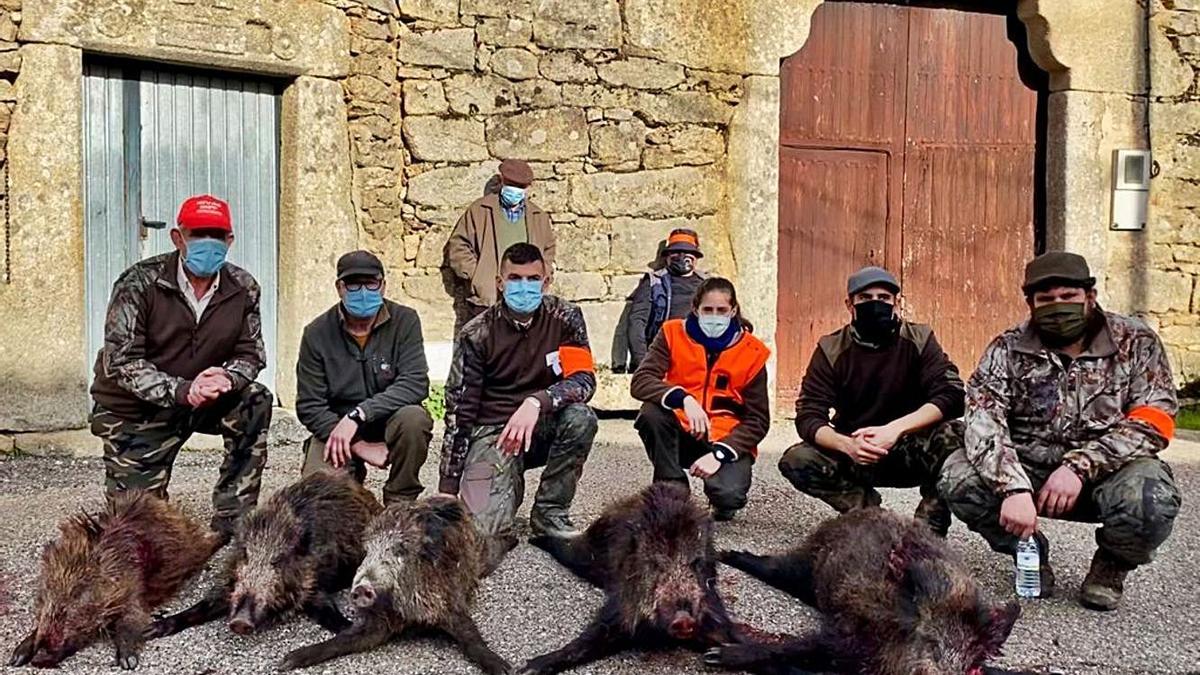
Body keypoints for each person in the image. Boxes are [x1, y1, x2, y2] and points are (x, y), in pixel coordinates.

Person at [939, 251, 1181, 611]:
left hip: (1107, 473)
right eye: (1046, 299)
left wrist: (1079, 466)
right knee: (957, 477)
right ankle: (1030, 550)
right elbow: (982, 420)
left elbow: (1155, 419)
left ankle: (1111, 566)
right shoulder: (1006, 348)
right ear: (1031, 304)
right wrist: (1012, 486)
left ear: (1090, 296)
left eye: (1068, 297)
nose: (1058, 306)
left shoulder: (1135, 341)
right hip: (1029, 471)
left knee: (1152, 497)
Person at [89, 194, 272, 541]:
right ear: (177, 237)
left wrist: (227, 378)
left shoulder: (243, 287)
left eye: (216, 235)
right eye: (197, 233)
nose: (208, 243)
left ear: (229, 240)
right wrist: (182, 390)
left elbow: (251, 352)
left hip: (205, 398)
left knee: (255, 399)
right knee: (138, 531)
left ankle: (234, 517)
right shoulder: (139, 283)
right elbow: (121, 361)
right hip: (138, 409)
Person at [778, 266, 965, 536]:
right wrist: (847, 445)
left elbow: (952, 395)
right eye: (865, 298)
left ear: (895, 302)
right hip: (858, 448)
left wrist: (894, 430)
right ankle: (871, 517)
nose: (876, 304)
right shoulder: (831, 349)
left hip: (911, 445)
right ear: (849, 304)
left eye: (884, 298)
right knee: (798, 459)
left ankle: (928, 529)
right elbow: (809, 414)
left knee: (957, 436)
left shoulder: (920, 339)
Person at [440, 243, 598, 561]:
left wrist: (537, 402)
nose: (523, 286)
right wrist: (448, 485)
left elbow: (584, 380)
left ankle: (550, 513)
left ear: (546, 281)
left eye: (532, 278)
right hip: (494, 433)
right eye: (514, 278)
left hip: (543, 422)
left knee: (582, 417)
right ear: (500, 282)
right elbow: (460, 408)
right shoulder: (476, 334)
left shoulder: (565, 318)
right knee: (481, 532)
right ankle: (506, 481)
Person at [295, 250, 434, 505]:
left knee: (414, 419)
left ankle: (399, 502)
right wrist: (358, 443)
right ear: (339, 288)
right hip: (337, 429)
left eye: (370, 283)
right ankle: (350, 488)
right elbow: (309, 405)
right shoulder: (316, 333)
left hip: (389, 418)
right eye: (353, 284)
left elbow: (415, 382)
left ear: (382, 286)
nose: (363, 291)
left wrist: (360, 414)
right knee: (318, 497)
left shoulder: (405, 321)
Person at [630, 277, 770, 521]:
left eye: (721, 310)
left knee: (729, 494)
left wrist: (720, 454)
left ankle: (723, 500)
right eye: (708, 309)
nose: (714, 316)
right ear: (695, 308)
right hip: (683, 425)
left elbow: (758, 420)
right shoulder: (672, 333)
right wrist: (682, 398)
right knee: (651, 413)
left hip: (725, 438)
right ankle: (672, 490)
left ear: (733, 310)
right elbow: (641, 381)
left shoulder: (752, 352)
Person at [445, 159, 556, 335]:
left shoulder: (538, 217)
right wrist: (477, 276)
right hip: (488, 297)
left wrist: (542, 277)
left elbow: (548, 251)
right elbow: (459, 246)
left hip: (525, 298)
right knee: (485, 350)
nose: (515, 190)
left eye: (520, 186)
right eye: (511, 184)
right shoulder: (479, 210)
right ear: (502, 181)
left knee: (524, 350)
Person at [625, 228, 708, 370]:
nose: (682, 257)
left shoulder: (709, 284)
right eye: (676, 252)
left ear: (696, 256)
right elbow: (637, 321)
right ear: (667, 256)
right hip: (666, 353)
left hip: (702, 354)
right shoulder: (653, 282)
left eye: (687, 252)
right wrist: (644, 364)